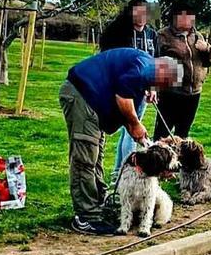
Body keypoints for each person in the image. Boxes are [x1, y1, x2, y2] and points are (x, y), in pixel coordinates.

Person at [59, 49, 182, 235]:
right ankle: (85, 217)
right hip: (82, 95)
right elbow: (123, 98)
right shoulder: (142, 70)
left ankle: (98, 205)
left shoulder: (147, 67)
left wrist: (147, 90)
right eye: (165, 84)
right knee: (85, 159)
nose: (162, 89)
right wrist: (135, 124)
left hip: (93, 101)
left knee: (96, 156)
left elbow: (127, 86)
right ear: (162, 72)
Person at [98, 0, 160, 183]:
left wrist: (153, 87)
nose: (142, 17)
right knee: (132, 130)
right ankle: (128, 174)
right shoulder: (120, 33)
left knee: (129, 132)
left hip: (141, 91)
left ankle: (118, 173)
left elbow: (154, 62)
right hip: (122, 90)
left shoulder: (151, 35)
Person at [153, 7, 211, 139]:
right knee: (163, 133)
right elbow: (154, 62)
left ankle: (179, 159)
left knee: (183, 133)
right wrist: (154, 88)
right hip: (171, 93)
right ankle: (158, 158)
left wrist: (206, 49)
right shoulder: (162, 36)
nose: (189, 20)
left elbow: (209, 62)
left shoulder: (197, 36)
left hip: (193, 93)